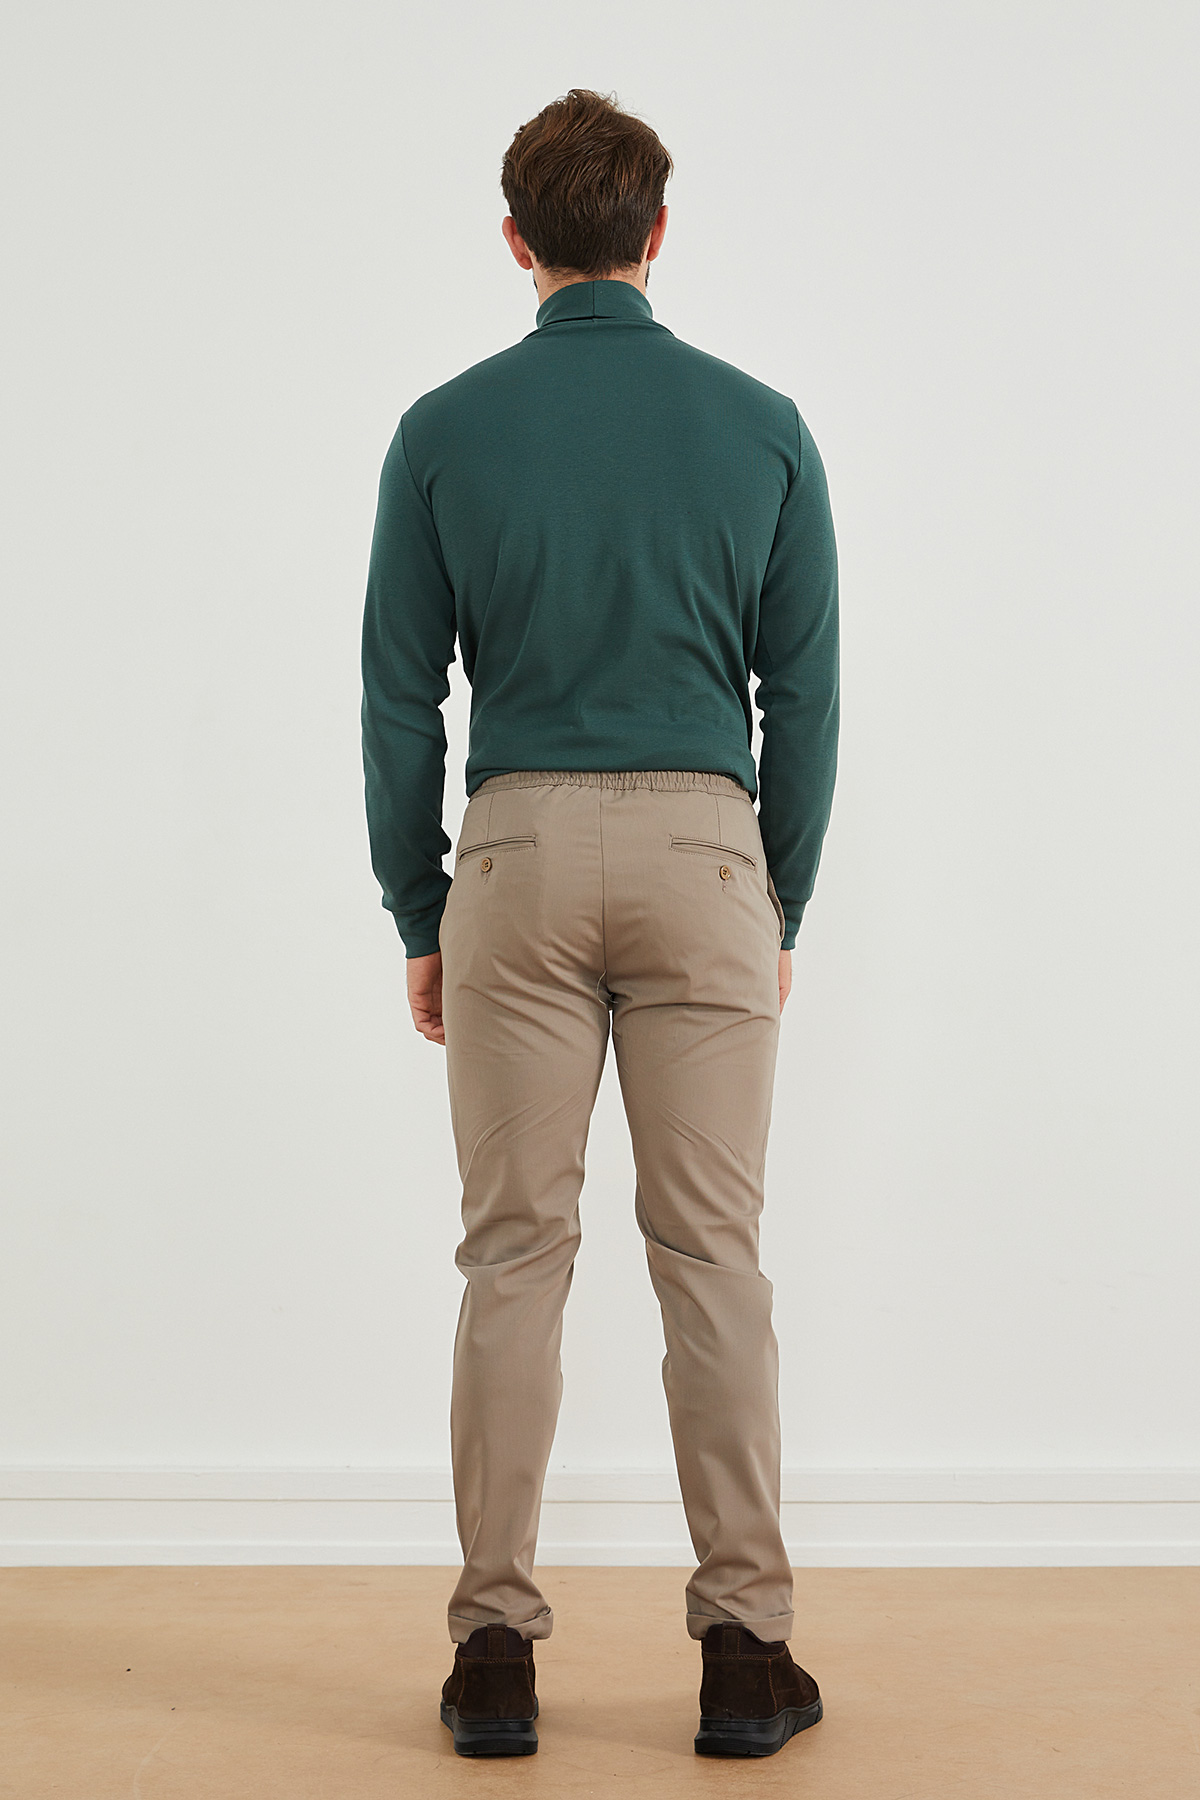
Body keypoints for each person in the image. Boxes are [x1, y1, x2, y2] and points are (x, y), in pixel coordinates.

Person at [361, 87, 839, 1761]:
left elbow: (398, 695)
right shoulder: (763, 425)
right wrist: (780, 891)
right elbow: (804, 695)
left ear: (517, 241)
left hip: (514, 860)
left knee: (513, 1256)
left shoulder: (442, 430)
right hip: (710, 858)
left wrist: (420, 906)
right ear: (657, 231)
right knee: (714, 1257)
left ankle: (493, 1651)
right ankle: (745, 1651)